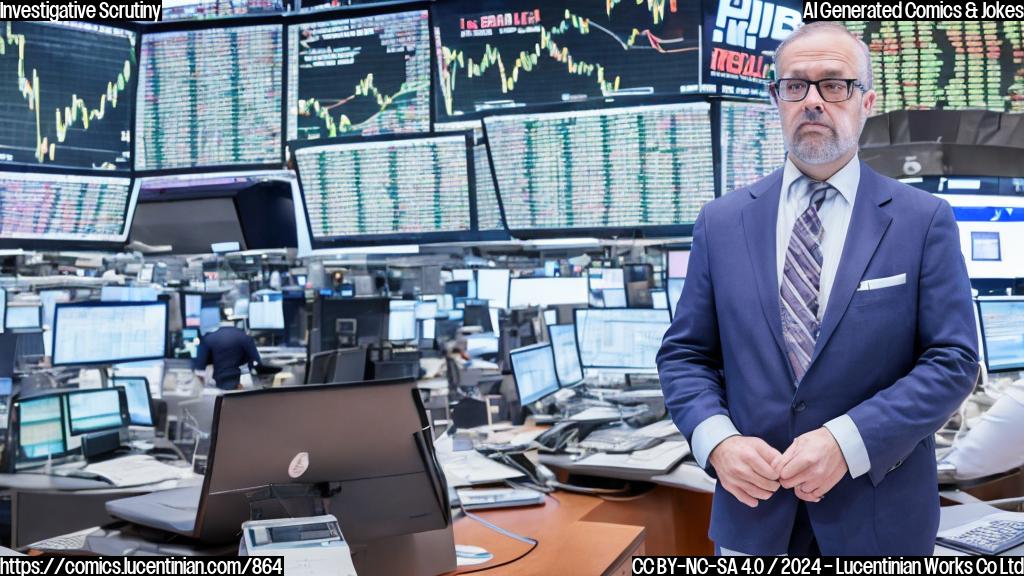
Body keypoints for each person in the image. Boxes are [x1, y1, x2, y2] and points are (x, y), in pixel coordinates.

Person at [657, 21, 979, 556]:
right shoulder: (721, 221)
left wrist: (847, 441)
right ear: (776, 99)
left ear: (866, 101)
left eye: (834, 84)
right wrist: (717, 441)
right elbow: (685, 355)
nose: (812, 100)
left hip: (878, 524)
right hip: (752, 520)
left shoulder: (923, 220)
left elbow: (953, 360)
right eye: (795, 85)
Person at [193, 320, 261, 391]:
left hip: (217, 386)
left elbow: (199, 369)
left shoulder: (208, 338)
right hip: (239, 384)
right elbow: (256, 362)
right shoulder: (245, 337)